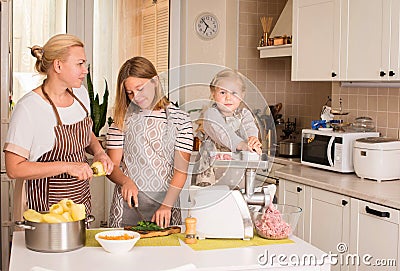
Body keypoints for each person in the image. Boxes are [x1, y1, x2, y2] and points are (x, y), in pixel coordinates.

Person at [3, 34, 113, 218]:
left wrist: (99, 152)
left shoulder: (81, 95)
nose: (85, 70)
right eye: (79, 63)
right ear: (58, 65)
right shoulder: (29, 108)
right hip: (43, 209)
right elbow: (14, 169)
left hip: (79, 202)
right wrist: (67, 166)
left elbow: (87, 135)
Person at [106, 56, 193, 228]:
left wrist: (166, 206)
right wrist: (125, 181)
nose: (135, 97)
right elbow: (111, 167)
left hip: (165, 205)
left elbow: (180, 171)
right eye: (129, 93)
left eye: (140, 89)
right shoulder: (121, 120)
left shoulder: (181, 120)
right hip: (127, 206)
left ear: (155, 82)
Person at [193, 69, 262, 188]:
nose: (228, 98)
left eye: (234, 93)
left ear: (242, 95)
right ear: (213, 93)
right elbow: (224, 133)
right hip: (212, 172)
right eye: (223, 93)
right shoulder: (211, 114)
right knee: (210, 201)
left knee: (235, 201)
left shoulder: (244, 114)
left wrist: (252, 140)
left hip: (236, 171)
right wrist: (242, 145)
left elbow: (250, 127)